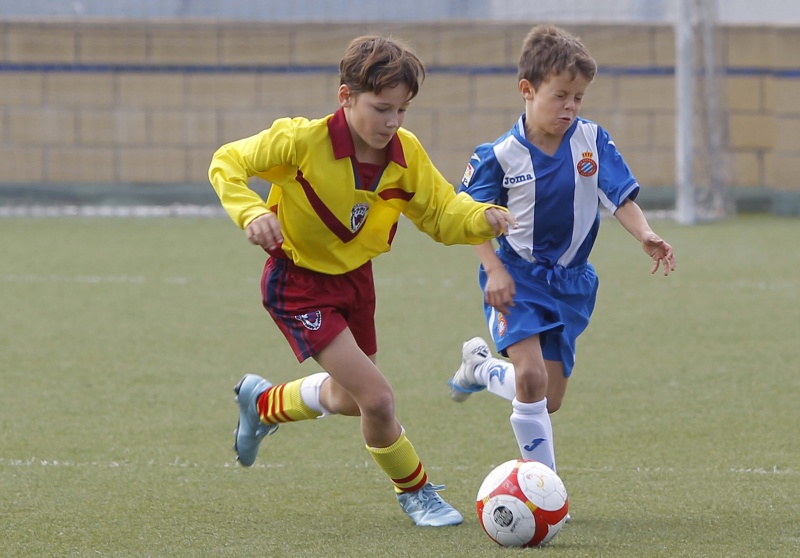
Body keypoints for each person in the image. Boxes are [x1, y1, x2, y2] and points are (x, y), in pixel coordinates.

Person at [208, 34, 517, 528]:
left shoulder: (404, 153)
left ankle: (264, 403)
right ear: (345, 97)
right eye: (380, 108)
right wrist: (249, 213)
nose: (392, 122)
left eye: (401, 110)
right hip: (298, 281)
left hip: (356, 281)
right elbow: (227, 161)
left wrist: (482, 217)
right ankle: (415, 491)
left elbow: (441, 213)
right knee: (377, 398)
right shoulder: (300, 141)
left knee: (352, 399)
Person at [448, 25, 676, 478]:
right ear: (527, 91)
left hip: (572, 283)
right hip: (518, 277)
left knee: (547, 399)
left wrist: (645, 234)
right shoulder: (501, 154)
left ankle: (481, 370)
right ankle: (544, 488)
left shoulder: (592, 140)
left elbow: (620, 198)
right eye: (561, 96)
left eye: (578, 97)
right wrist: (493, 269)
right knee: (531, 379)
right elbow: (468, 218)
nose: (570, 107)